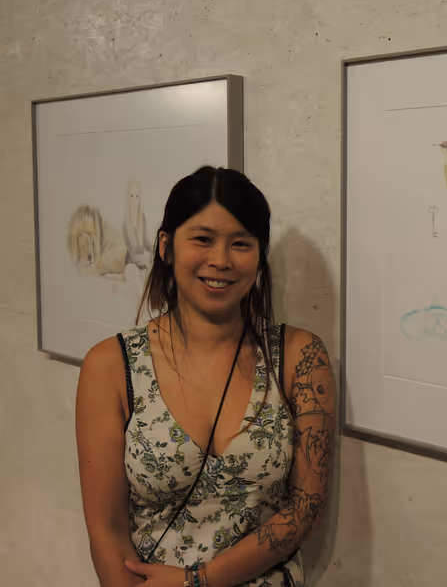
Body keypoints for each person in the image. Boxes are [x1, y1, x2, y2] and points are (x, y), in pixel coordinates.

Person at [75, 166, 335, 587]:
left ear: (260, 254)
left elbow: (306, 509)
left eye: (241, 243)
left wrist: (198, 581)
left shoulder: (299, 357)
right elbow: (106, 531)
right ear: (166, 246)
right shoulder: (111, 366)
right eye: (202, 239)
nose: (221, 260)